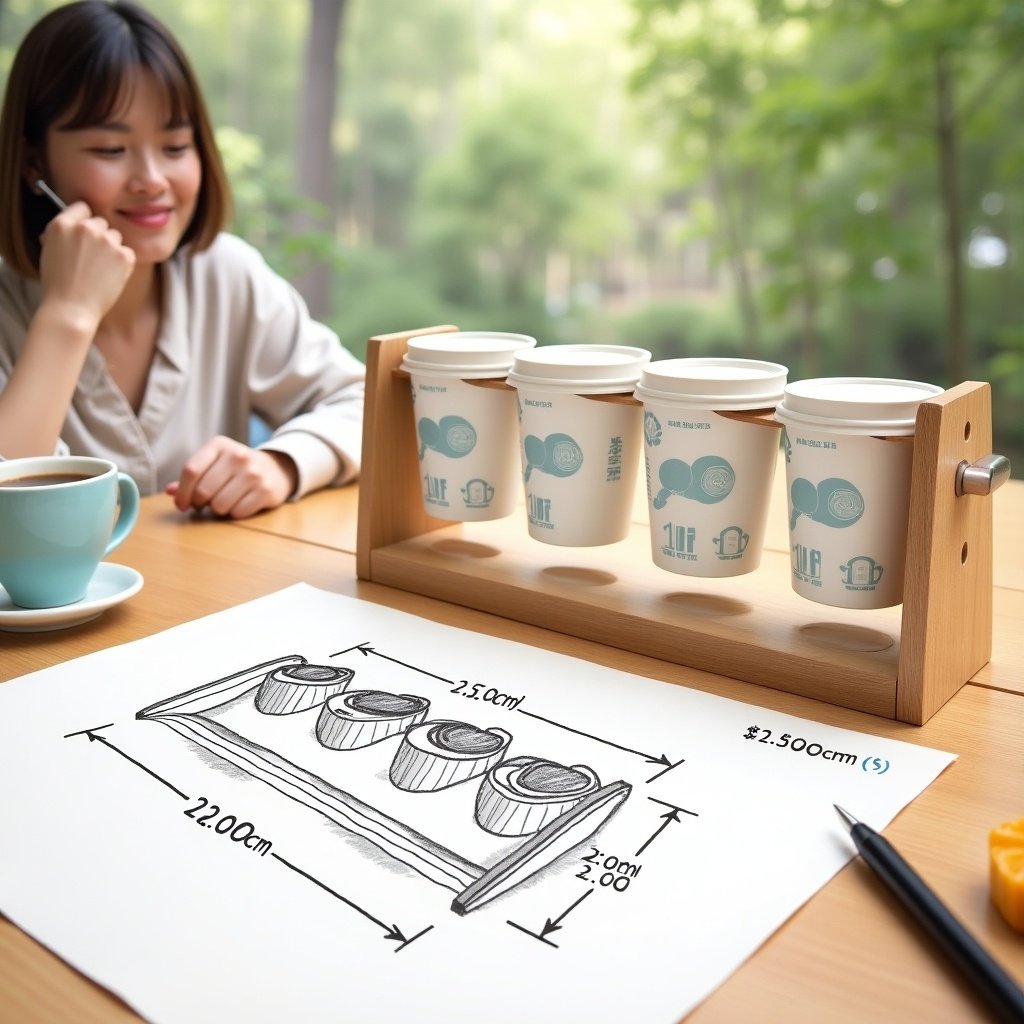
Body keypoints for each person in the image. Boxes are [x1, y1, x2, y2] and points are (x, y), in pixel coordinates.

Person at [0, 0, 365, 519]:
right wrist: (68, 314)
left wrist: (282, 464)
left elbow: (366, 403)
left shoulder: (225, 275)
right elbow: (10, 508)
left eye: (175, 146)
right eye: (109, 149)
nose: (153, 179)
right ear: (34, 161)